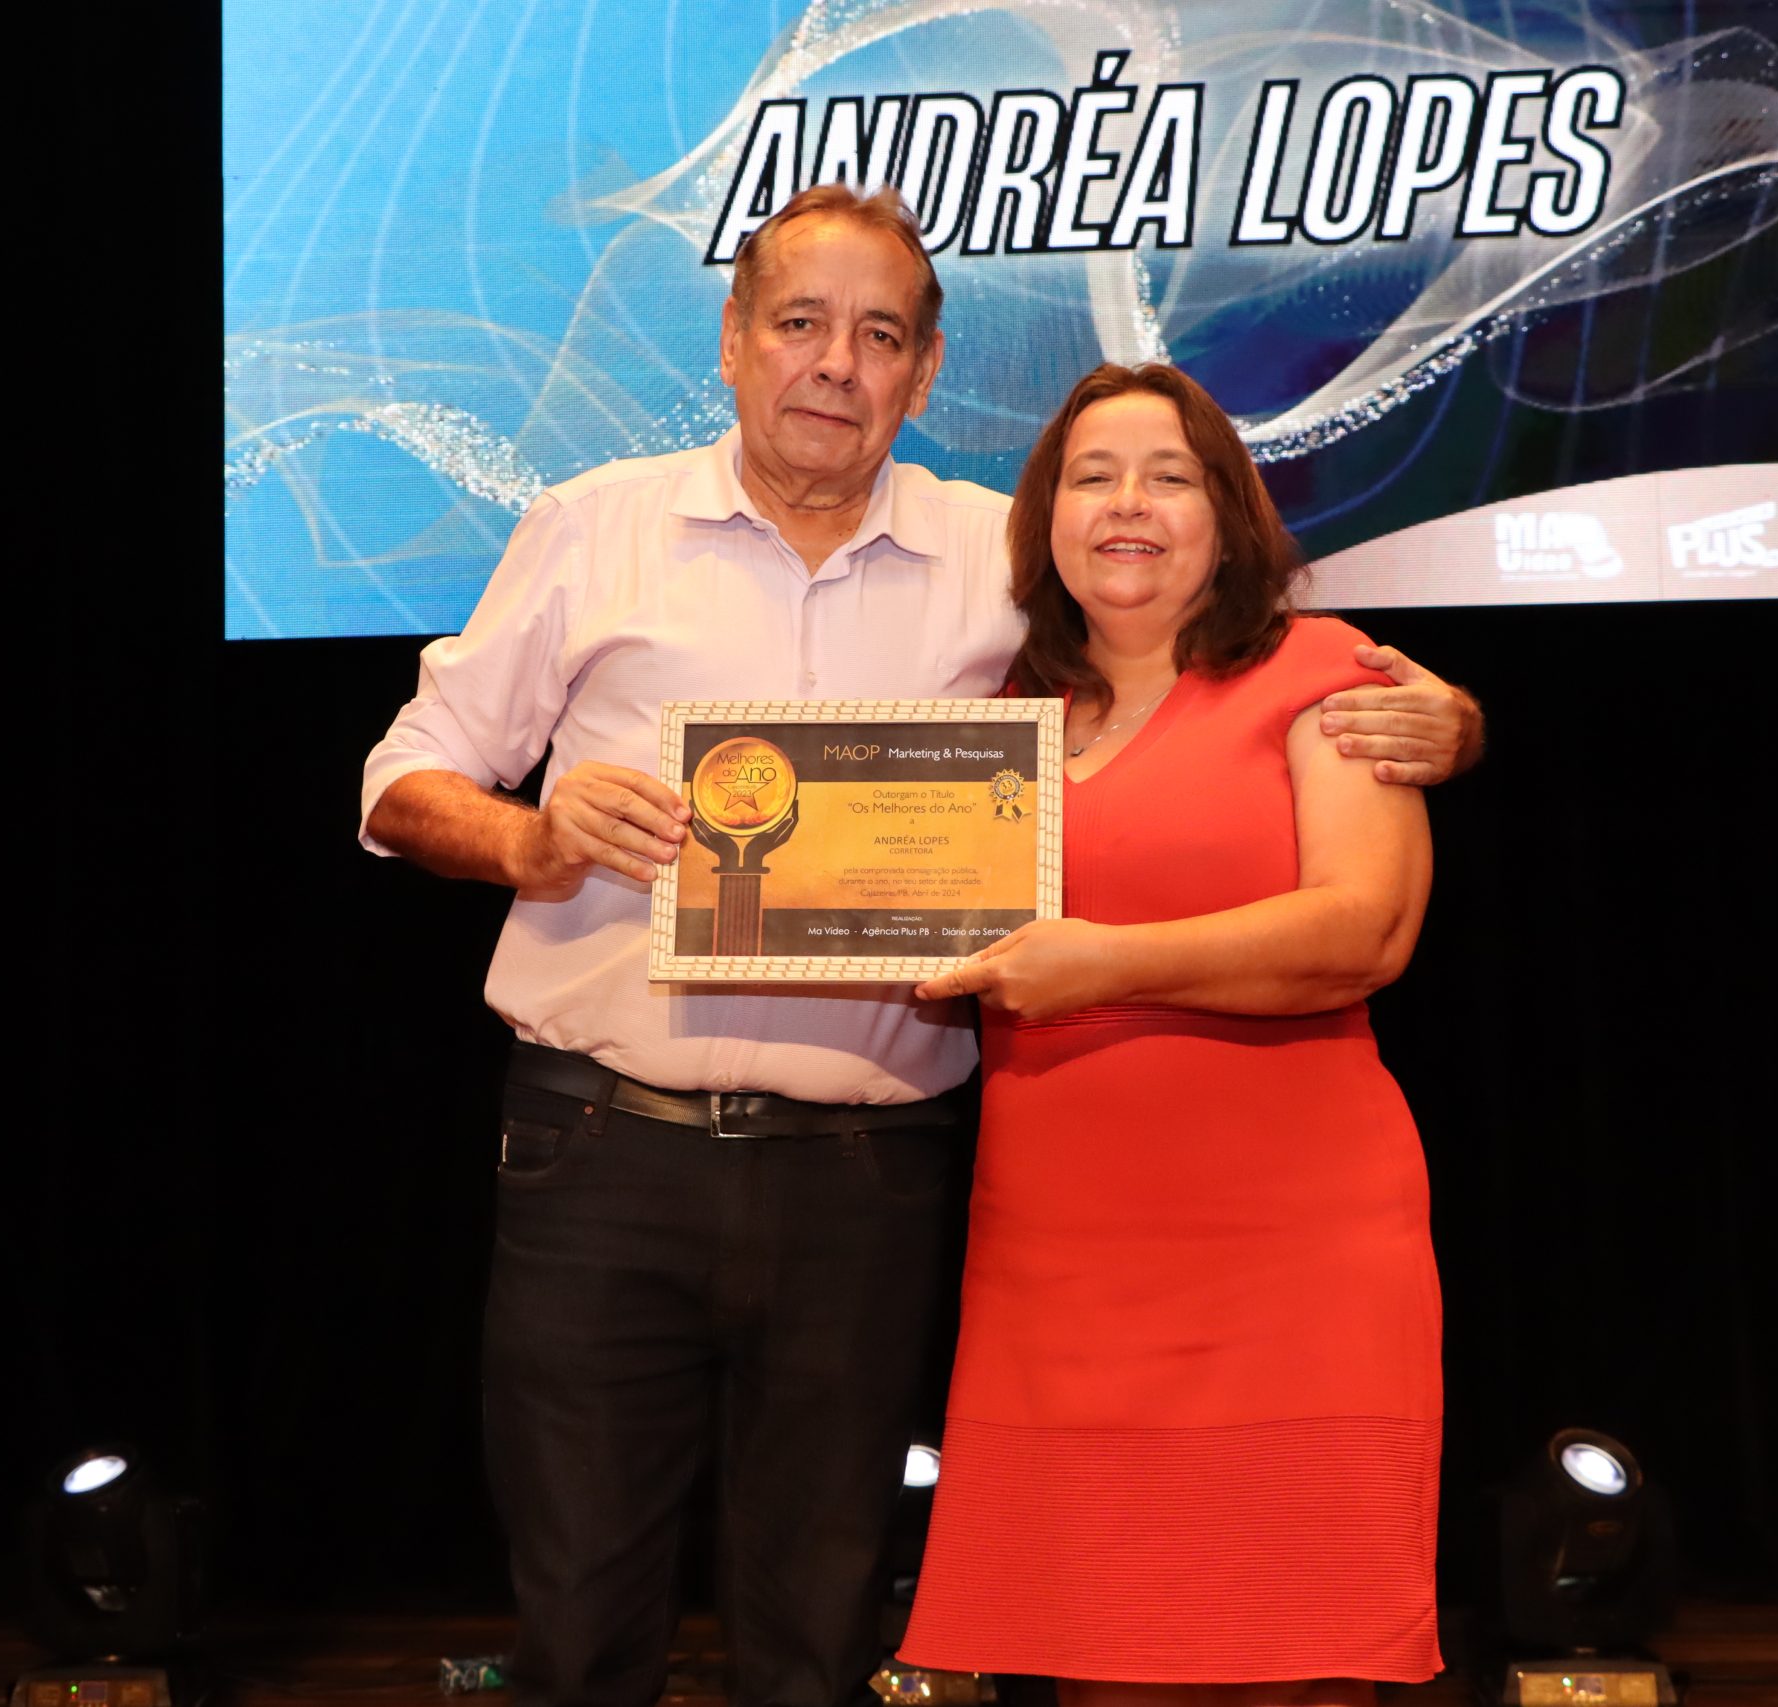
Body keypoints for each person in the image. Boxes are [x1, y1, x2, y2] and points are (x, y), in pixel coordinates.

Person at [360, 186, 1475, 1707]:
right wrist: (527, 842)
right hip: (602, 1153)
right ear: (734, 341)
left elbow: (1206, 672)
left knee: (821, 1635)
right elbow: (403, 778)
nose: (837, 362)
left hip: (866, 1179)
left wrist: (1449, 719)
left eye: (879, 335)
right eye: (800, 323)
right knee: (578, 1625)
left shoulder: (1001, 555)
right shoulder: (592, 526)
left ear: (928, 370)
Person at [894, 362, 1443, 1706]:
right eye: (1092, 477)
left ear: (1229, 517)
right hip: (1063, 1274)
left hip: (1296, 1262)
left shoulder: (1327, 672)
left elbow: (1366, 931)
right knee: (1104, 1658)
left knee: (1303, 1661)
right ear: (1046, 520)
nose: (1127, 504)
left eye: (1170, 477)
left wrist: (1104, 965)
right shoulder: (991, 728)